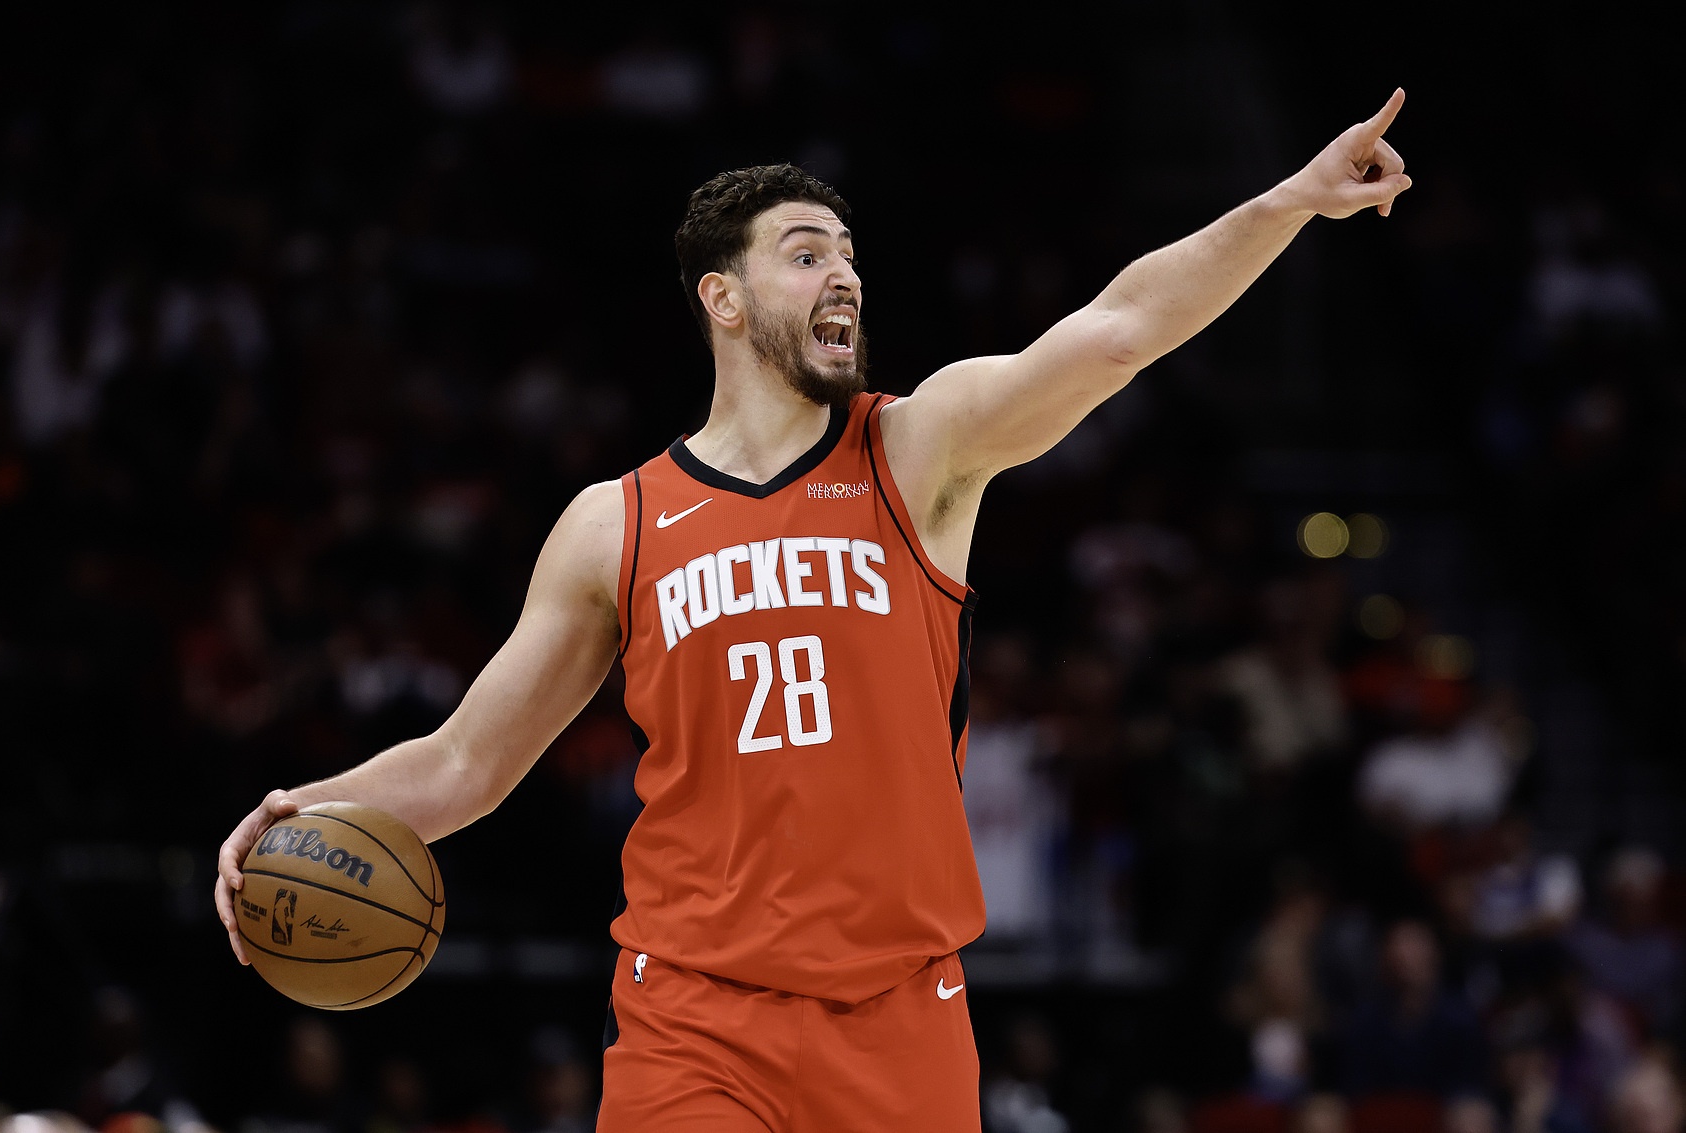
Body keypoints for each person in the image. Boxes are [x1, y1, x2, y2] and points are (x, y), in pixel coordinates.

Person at [217, 90, 1413, 1130]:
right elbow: (466, 763)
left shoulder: (918, 448)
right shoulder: (613, 523)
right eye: (802, 254)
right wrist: (300, 811)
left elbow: (1115, 333)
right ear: (723, 298)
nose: (842, 273)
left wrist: (1289, 202)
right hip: (693, 1015)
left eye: (846, 254)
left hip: (901, 1013)